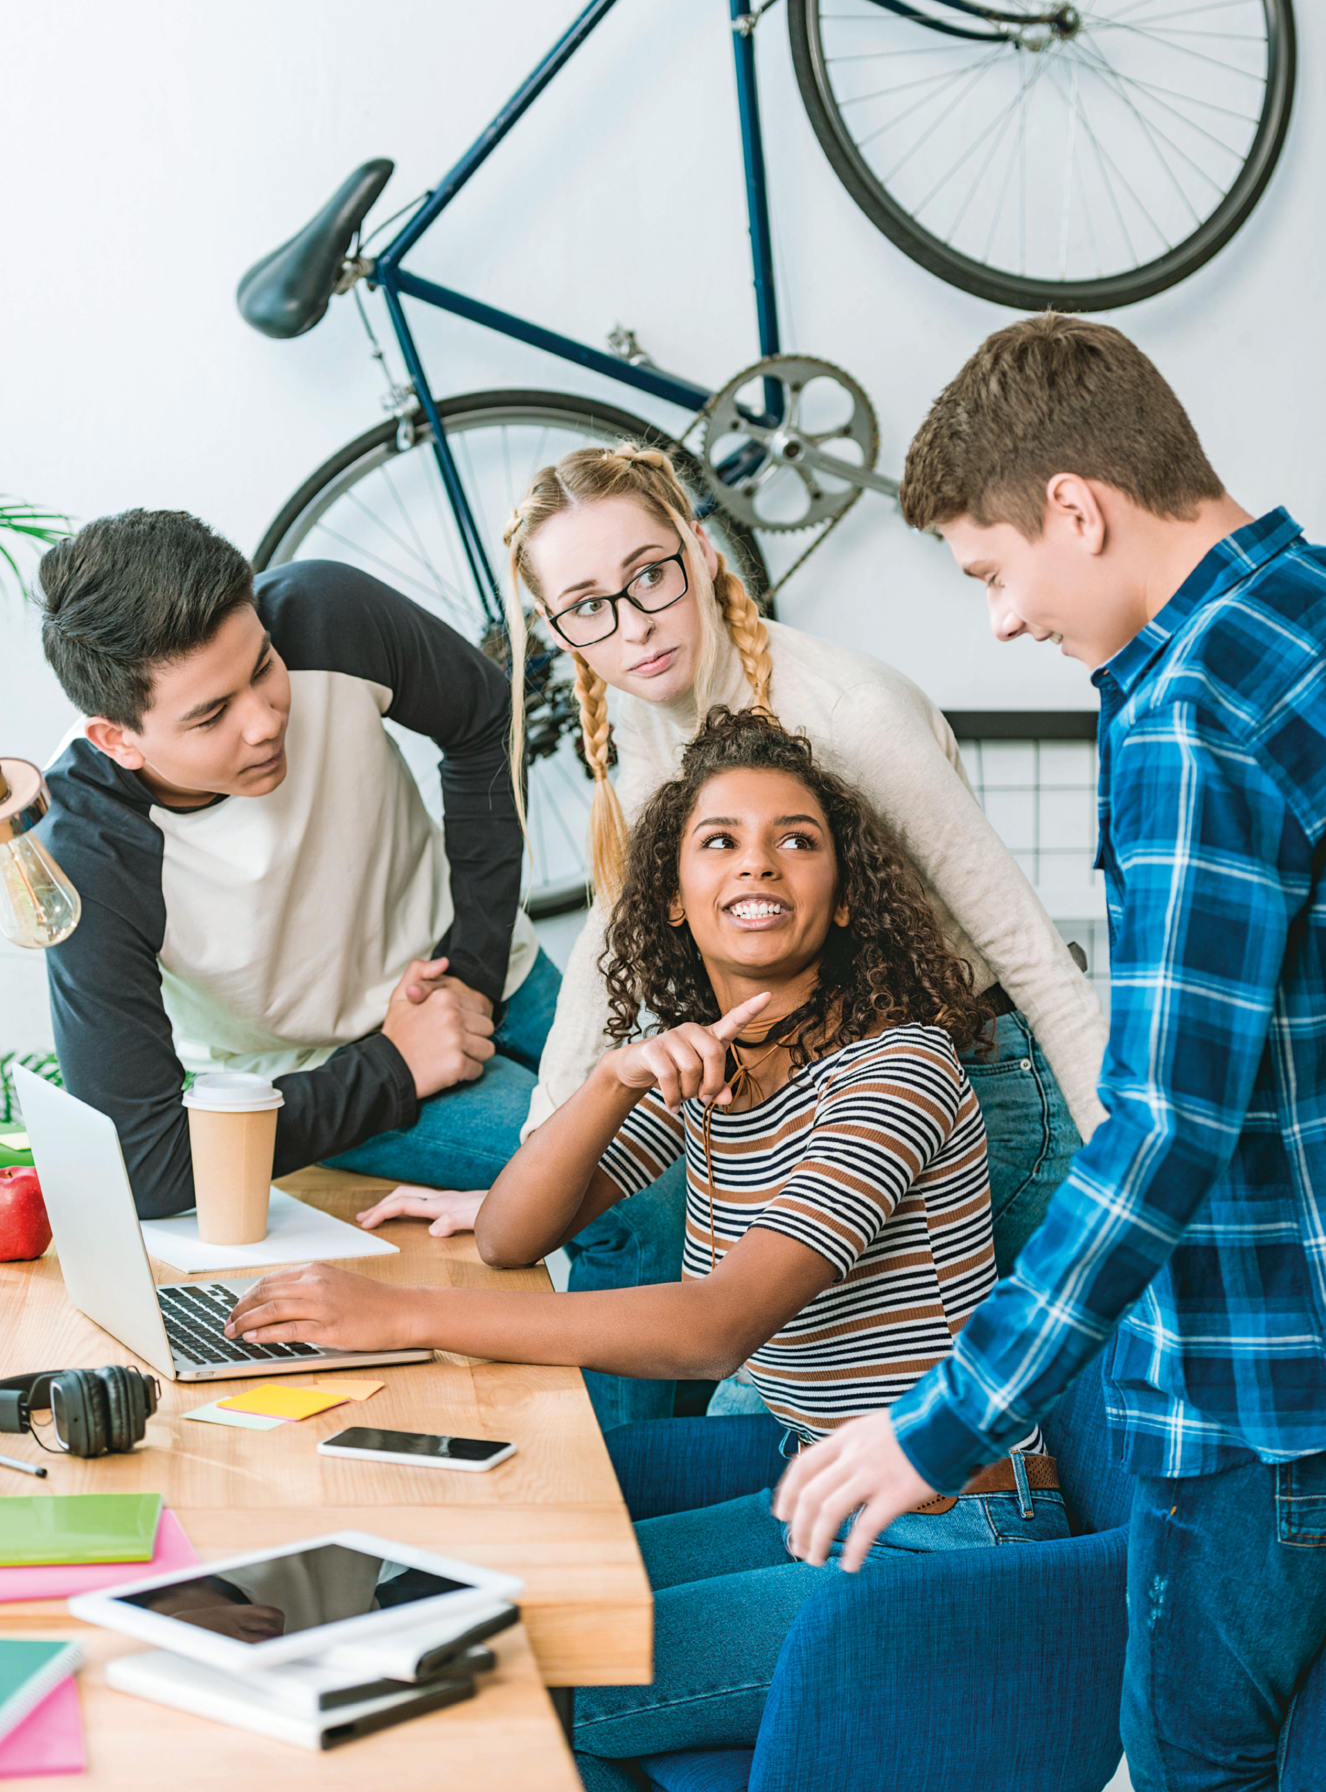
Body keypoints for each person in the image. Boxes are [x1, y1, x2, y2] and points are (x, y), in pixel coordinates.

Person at [224, 709, 1070, 1786]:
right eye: (719, 840)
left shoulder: (893, 1073)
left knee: (521, 1662)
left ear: (846, 896)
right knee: (476, 1602)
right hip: (826, 1496)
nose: (757, 859)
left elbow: (714, 1330)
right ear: (672, 894)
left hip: (955, 1533)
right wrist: (614, 1079)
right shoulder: (716, 1066)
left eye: (796, 839)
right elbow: (507, 1233)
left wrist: (400, 1312)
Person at [775, 313, 1326, 1791]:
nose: (1004, 619)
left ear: (1076, 507)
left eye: (991, 568)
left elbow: (1159, 1125)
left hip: (1256, 1410)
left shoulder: (1193, 706)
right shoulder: (1307, 622)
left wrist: (944, 1424)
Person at [360, 443, 1108, 1429]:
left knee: (1010, 1423)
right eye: (587, 606)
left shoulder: (849, 714)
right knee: (835, 1414)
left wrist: (1132, 1183)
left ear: (702, 552)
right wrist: (536, 1165)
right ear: (554, 631)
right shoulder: (644, 709)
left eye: (649, 577)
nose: (633, 627)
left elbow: (1031, 958)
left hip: (976, 1083)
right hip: (810, 1079)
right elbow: (604, 946)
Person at [35, 510, 559, 1217]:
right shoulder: (83, 854)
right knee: (630, 1177)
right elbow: (144, 1162)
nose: (265, 720)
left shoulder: (326, 613)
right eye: (211, 714)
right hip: (315, 1071)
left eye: (263, 668)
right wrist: (391, 1069)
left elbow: (483, 715)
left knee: (716, 1132)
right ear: (117, 739)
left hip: (484, 957)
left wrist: (472, 970)